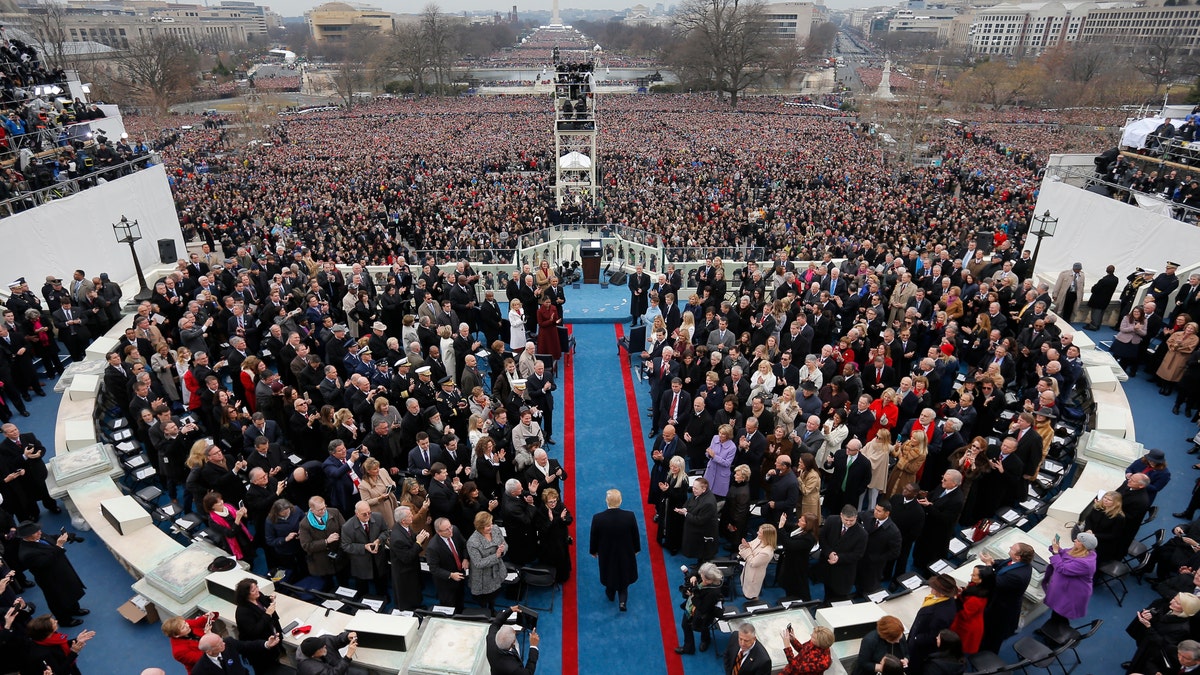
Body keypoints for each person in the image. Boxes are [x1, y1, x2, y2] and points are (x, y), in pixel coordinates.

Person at [15, 521, 87, 627]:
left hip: (62, 570)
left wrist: (70, 537)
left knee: (70, 590)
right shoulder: (26, 554)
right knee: (58, 600)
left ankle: (74, 609)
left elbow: (52, 538)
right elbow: (45, 562)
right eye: (36, 532)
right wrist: (59, 546)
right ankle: (64, 620)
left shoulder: (39, 535)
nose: (40, 532)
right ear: (27, 536)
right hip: (50, 579)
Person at [979, 542, 1035, 653]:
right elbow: (1004, 563)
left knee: (993, 635)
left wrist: (988, 565)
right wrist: (993, 561)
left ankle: (988, 658)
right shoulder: (1019, 563)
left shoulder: (1017, 576)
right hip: (997, 602)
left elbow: (993, 582)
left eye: (1012, 549)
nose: (1009, 547)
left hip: (1002, 610)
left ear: (1018, 556)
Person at [590, 488, 641, 611]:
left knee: (609, 572)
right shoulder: (629, 516)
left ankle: (611, 594)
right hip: (626, 552)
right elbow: (635, 534)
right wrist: (636, 548)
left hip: (607, 553)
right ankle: (622, 602)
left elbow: (594, 537)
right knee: (624, 575)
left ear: (606, 501)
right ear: (621, 501)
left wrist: (593, 551)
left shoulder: (598, 518)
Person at [1125, 592, 1200, 675]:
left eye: (1177, 603)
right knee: (1137, 662)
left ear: (1185, 609)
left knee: (1142, 666)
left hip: (1153, 654)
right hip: (1147, 644)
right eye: (1174, 599)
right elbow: (1160, 623)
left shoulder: (1182, 629)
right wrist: (1151, 618)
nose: (1171, 602)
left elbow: (1164, 644)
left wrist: (1149, 627)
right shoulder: (1171, 610)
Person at [1042, 532, 1099, 635]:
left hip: (1072, 593)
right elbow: (1065, 554)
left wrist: (1055, 553)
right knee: (1058, 612)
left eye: (1077, 540)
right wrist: (1057, 549)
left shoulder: (1085, 563)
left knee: (1059, 613)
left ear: (1083, 545)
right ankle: (1051, 630)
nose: (1074, 541)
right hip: (1066, 588)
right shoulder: (1079, 551)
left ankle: (1053, 634)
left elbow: (1062, 568)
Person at [907, 574, 960, 675]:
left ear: (940, 592)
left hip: (920, 648)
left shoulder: (941, 615)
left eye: (934, 587)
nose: (931, 587)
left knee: (914, 667)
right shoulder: (942, 599)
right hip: (918, 634)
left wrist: (916, 638)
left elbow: (933, 636)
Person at [233, 578, 283, 675]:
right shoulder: (242, 612)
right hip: (259, 649)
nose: (257, 591)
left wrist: (270, 598)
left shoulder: (259, 596)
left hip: (271, 636)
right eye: (253, 590)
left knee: (276, 662)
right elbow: (254, 631)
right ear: (245, 594)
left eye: (257, 587)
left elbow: (264, 600)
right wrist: (267, 614)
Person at [341, 500, 390, 597]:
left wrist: (379, 540)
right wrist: (363, 547)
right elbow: (345, 546)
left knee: (381, 581)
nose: (368, 516)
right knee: (362, 586)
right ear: (357, 514)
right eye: (364, 514)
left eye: (369, 513)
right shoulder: (347, 527)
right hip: (361, 561)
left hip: (378, 558)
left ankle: (383, 597)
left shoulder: (378, 517)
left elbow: (386, 531)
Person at [819, 504, 867, 603]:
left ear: (856, 518)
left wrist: (838, 558)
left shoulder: (862, 534)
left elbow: (858, 554)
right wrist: (829, 552)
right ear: (841, 515)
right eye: (846, 520)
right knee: (827, 592)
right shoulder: (831, 520)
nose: (848, 523)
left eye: (851, 521)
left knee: (839, 598)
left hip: (844, 572)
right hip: (827, 567)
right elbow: (822, 538)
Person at [675, 562, 725, 654]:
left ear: (710, 580)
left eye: (703, 579)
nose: (701, 580)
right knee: (685, 625)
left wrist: (693, 596)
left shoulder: (713, 593)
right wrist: (693, 576)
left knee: (704, 627)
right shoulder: (706, 573)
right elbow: (696, 572)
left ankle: (705, 641)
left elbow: (703, 607)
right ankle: (689, 648)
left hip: (702, 613)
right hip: (691, 608)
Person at [22, 614, 95, 675]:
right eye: (53, 623)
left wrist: (77, 640)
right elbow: (59, 672)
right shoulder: (43, 654)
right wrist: (73, 653)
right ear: (48, 631)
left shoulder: (48, 638)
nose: (56, 621)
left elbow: (59, 646)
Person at [858, 500, 902, 596]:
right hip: (861, 556)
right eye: (875, 509)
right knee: (858, 580)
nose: (875, 512)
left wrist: (877, 558)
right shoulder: (869, 515)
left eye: (879, 511)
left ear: (887, 513)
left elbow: (895, 552)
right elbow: (859, 516)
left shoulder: (893, 531)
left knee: (869, 586)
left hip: (875, 564)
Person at [390, 505, 429, 611]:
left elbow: (411, 539)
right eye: (409, 515)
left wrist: (421, 536)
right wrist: (418, 542)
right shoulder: (397, 537)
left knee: (415, 592)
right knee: (408, 595)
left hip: (412, 569)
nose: (412, 515)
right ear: (403, 520)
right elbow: (407, 557)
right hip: (404, 573)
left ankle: (417, 606)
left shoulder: (405, 527)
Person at [467, 511, 507, 611]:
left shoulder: (495, 529)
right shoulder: (473, 542)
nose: (491, 527)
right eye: (487, 525)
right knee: (484, 599)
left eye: (491, 523)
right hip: (483, 576)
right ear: (480, 527)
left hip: (496, 570)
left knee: (494, 594)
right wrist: (496, 555)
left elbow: (505, 544)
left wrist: (502, 551)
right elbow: (478, 563)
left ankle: (492, 609)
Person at [426, 517, 469, 612]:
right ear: (438, 532)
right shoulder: (433, 547)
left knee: (460, 600)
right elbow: (434, 569)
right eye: (446, 530)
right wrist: (450, 575)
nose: (450, 531)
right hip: (446, 583)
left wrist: (465, 558)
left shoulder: (455, 530)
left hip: (460, 575)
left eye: (450, 527)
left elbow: (464, 545)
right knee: (449, 607)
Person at [949, 565, 994, 655]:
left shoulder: (977, 599)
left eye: (974, 575)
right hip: (965, 622)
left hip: (967, 627)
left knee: (958, 650)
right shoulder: (977, 586)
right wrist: (962, 592)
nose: (971, 575)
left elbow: (964, 614)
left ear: (981, 580)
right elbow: (968, 593)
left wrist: (956, 599)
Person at [533, 487, 573, 584]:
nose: (553, 504)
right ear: (545, 501)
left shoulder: (560, 505)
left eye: (555, 501)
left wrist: (563, 519)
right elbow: (542, 530)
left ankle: (561, 577)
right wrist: (552, 520)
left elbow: (569, 518)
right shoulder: (541, 511)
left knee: (562, 559)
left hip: (561, 539)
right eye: (550, 502)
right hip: (549, 543)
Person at [192, 632, 280, 675]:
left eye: (221, 640)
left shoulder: (229, 643)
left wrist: (267, 644)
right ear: (209, 651)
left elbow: (248, 646)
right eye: (219, 644)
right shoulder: (199, 670)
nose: (224, 644)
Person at [487, 606, 539, 675]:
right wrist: (533, 646)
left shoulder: (490, 639)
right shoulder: (514, 669)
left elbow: (496, 624)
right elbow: (528, 673)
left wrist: (510, 610)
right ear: (513, 642)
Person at [778, 512, 819, 601]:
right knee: (789, 584)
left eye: (802, 519)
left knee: (799, 586)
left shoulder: (809, 539)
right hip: (790, 561)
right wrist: (783, 521)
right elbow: (790, 526)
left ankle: (804, 602)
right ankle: (790, 599)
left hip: (798, 566)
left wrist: (781, 528)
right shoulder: (799, 528)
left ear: (808, 524)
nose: (799, 519)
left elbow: (790, 544)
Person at [680, 477, 719, 564]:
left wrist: (685, 514)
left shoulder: (708, 503)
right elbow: (690, 500)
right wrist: (685, 508)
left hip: (704, 533)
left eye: (695, 488)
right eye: (693, 487)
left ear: (704, 489)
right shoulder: (701, 494)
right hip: (698, 531)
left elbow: (699, 520)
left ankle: (701, 566)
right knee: (700, 552)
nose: (693, 490)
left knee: (703, 553)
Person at [737, 524, 776, 601]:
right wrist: (747, 548)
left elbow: (753, 562)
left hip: (754, 575)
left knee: (751, 596)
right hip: (748, 569)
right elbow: (749, 545)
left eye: (760, 532)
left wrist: (747, 549)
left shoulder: (767, 552)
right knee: (745, 587)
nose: (757, 533)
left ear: (766, 536)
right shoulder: (759, 539)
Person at [297, 632, 365, 675]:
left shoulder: (322, 641)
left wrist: (347, 636)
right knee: (363, 672)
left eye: (322, 644)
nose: (324, 646)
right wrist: (347, 657)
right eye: (321, 648)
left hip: (338, 666)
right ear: (313, 655)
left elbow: (337, 640)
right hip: (336, 671)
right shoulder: (311, 669)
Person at [1085, 265, 1120, 331]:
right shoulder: (1115, 279)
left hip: (1098, 299)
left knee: (1095, 313)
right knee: (1101, 313)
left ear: (1106, 270)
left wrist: (1093, 287)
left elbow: (1095, 289)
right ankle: (1097, 325)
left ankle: (1093, 326)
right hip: (1106, 299)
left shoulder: (1104, 280)